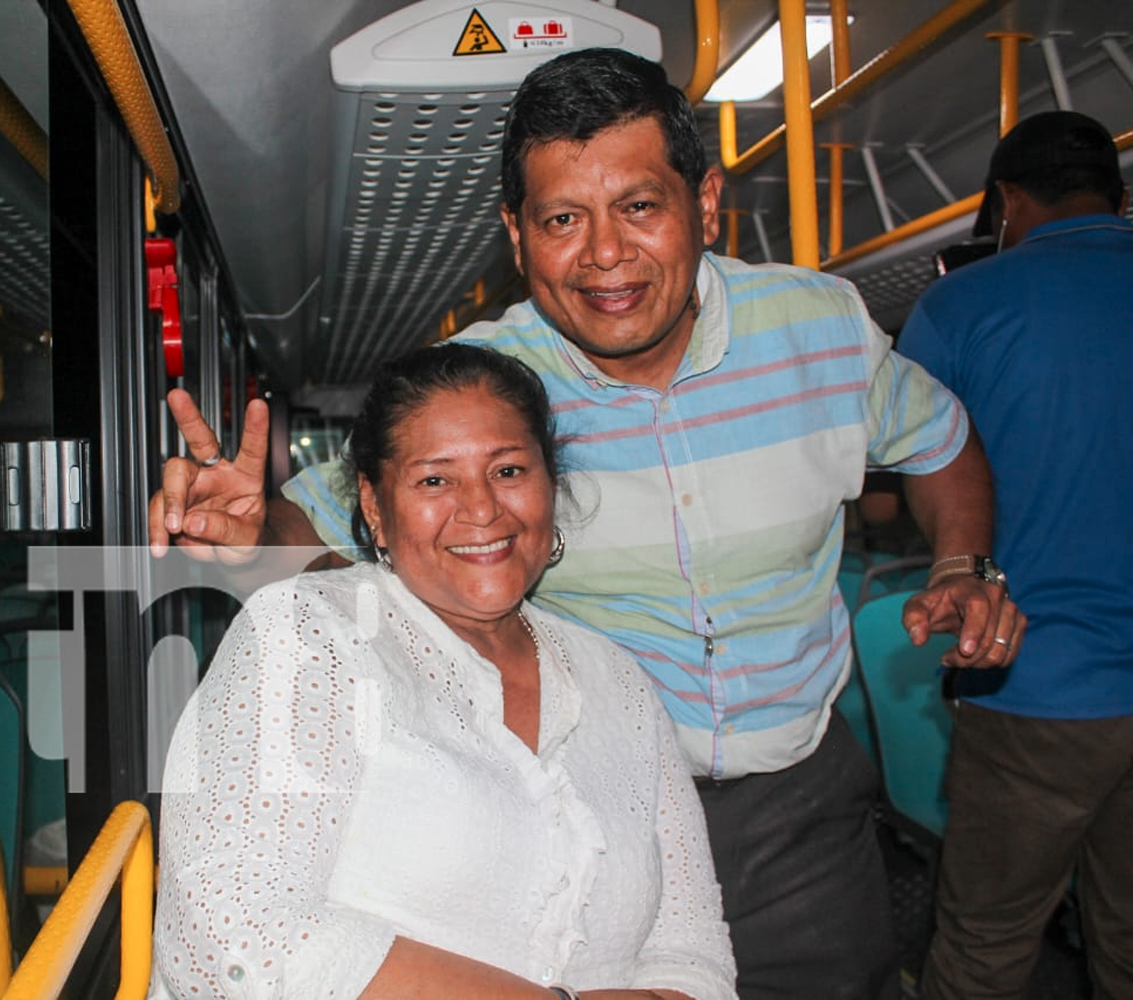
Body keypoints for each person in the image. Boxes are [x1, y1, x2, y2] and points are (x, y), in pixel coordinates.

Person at [151, 49, 1025, 999]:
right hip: (569, 803)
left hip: (796, 809)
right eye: (564, 219)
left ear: (704, 202)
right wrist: (250, 530)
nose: (605, 254)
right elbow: (351, 539)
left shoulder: (822, 330)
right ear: (518, 238)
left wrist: (965, 563)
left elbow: (939, 440)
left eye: (640, 207)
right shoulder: (483, 393)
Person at [152, 343, 736, 1000]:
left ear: (552, 485)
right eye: (435, 480)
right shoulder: (307, 637)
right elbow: (229, 944)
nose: (482, 510)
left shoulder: (619, 683)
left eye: (509, 470)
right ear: (375, 508)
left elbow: (693, 953)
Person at [896, 111, 1133, 1000]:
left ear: (1005, 200)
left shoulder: (963, 305)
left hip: (1034, 681)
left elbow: (903, 465)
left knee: (988, 944)